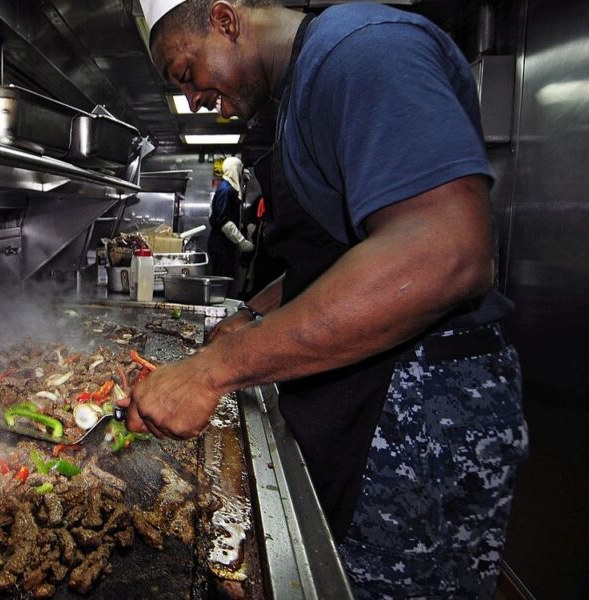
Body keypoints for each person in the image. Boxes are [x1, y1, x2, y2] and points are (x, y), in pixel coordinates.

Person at [121, 1, 529, 598]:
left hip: (420, 405)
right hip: (370, 388)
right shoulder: (302, 89)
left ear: (225, 20)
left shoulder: (361, 49)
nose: (195, 101)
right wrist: (256, 314)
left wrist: (211, 373)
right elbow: (344, 253)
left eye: (187, 74)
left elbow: (443, 253)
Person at [207, 156, 253, 278]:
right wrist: (241, 241)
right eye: (240, 170)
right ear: (235, 170)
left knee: (226, 278)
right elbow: (224, 221)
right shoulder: (225, 190)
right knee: (222, 279)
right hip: (221, 245)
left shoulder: (230, 189)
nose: (242, 173)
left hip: (226, 244)